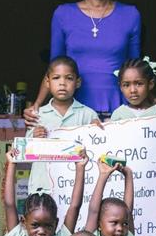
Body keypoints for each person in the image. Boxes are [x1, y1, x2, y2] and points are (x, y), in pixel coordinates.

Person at [24, 0, 156, 121]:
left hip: (119, 111)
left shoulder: (130, 15)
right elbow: (54, 66)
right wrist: (37, 105)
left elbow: (136, 68)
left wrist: (154, 100)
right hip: (75, 112)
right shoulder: (63, 14)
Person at [25, 56, 100, 196]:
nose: (62, 83)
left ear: (78, 82)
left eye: (69, 78)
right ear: (47, 82)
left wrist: (96, 132)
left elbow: (97, 151)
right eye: (56, 78)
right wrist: (34, 138)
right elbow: (25, 153)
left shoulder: (88, 114)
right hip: (43, 187)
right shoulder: (37, 115)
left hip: (76, 188)